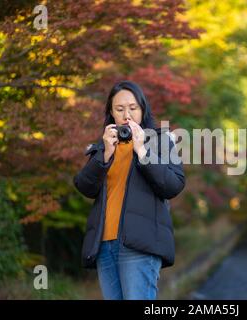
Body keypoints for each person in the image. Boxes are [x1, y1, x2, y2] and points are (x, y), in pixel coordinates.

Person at [73, 80, 185, 300]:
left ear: (143, 109)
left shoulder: (161, 141)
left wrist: (142, 150)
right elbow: (84, 186)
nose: (127, 115)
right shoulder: (104, 146)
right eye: (120, 109)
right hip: (104, 246)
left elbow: (173, 185)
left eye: (133, 108)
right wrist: (104, 155)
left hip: (140, 245)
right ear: (111, 113)